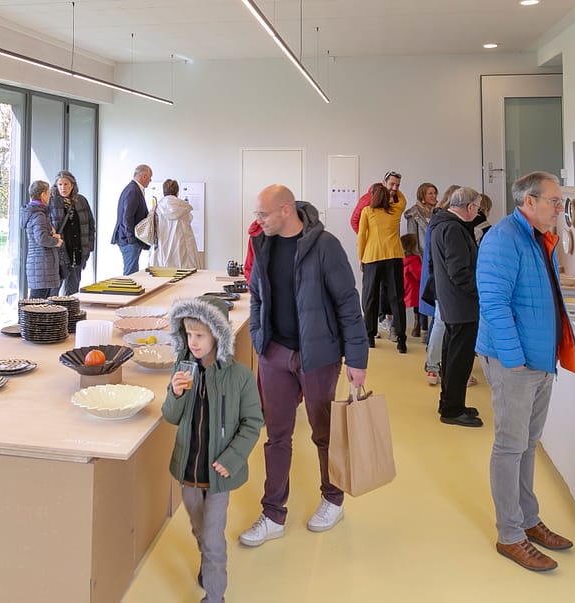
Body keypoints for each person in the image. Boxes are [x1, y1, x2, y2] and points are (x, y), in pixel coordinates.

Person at [239, 185, 368, 547]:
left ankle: (333, 499)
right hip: (274, 354)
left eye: (262, 214)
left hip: (319, 355)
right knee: (276, 434)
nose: (257, 220)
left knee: (323, 433)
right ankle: (273, 513)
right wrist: (259, 337)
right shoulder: (261, 244)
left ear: (285, 210)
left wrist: (357, 359)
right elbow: (257, 296)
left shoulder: (324, 245)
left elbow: (347, 302)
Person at [476, 170, 575, 572]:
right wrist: (514, 358)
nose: (561, 209)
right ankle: (510, 535)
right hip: (514, 362)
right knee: (509, 445)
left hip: (540, 360)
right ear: (529, 201)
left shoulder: (538, 237)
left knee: (528, 443)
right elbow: (494, 303)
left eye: (561, 202)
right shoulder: (503, 239)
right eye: (555, 201)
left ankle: (528, 519)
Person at [162, 296, 263, 603]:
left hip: (219, 474)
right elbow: (171, 416)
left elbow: (253, 422)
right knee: (198, 529)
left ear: (217, 335)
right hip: (189, 470)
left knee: (212, 537)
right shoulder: (183, 372)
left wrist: (232, 458)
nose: (193, 342)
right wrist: (176, 393)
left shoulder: (240, 376)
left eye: (200, 335)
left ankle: (215, 595)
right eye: (189, 334)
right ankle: (208, 563)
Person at [425, 187, 483, 427]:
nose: (478, 212)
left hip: (451, 302)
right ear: (469, 208)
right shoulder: (454, 229)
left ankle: (450, 402)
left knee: (451, 356)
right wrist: (481, 294)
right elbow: (459, 272)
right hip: (461, 305)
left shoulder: (441, 224)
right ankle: (452, 409)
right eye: (478, 208)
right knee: (459, 359)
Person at [357, 183, 408, 353]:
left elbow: (361, 237)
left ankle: (370, 336)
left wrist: (361, 257)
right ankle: (401, 340)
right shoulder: (395, 211)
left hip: (372, 257)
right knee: (397, 298)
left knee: (370, 297)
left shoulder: (367, 212)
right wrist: (393, 188)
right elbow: (402, 199)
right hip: (393, 257)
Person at [419, 184, 460, 384]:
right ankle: (437, 367)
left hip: (437, 276)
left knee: (441, 322)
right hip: (445, 279)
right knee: (444, 322)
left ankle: (434, 366)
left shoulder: (436, 219)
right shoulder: (447, 223)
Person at [48, 170, 95, 296]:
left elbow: (90, 224)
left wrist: (89, 246)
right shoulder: (51, 201)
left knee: (73, 287)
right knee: (55, 288)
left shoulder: (81, 200)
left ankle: (70, 313)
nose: (63, 188)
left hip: (78, 249)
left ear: (72, 185)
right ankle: (52, 314)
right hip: (60, 251)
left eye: (66, 184)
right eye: (60, 184)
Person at [404, 182, 438, 335]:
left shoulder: (438, 212)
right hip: (420, 256)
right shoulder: (414, 214)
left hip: (434, 255)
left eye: (435, 193)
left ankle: (430, 325)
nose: (434, 196)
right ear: (422, 195)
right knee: (420, 291)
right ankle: (420, 324)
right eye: (430, 193)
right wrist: (417, 256)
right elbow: (412, 237)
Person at [23, 180, 63, 299]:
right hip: (42, 265)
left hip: (40, 265)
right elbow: (41, 238)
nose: (50, 196)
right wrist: (56, 241)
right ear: (42, 195)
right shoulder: (38, 215)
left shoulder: (36, 213)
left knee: (39, 302)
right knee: (37, 304)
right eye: (48, 193)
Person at [147, 178, 199, 268]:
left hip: (161, 245)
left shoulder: (157, 208)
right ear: (177, 192)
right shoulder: (183, 207)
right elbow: (189, 222)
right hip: (180, 245)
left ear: (164, 192)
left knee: (162, 272)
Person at [111, 164, 153, 275]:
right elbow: (127, 217)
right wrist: (131, 239)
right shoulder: (133, 191)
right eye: (149, 177)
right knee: (130, 274)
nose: (150, 180)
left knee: (132, 272)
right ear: (144, 176)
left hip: (129, 239)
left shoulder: (132, 189)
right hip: (129, 240)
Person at [401, 233, 422, 338]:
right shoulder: (413, 260)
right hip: (414, 290)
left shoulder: (401, 260)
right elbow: (419, 276)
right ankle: (418, 327)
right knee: (418, 309)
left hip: (405, 288)